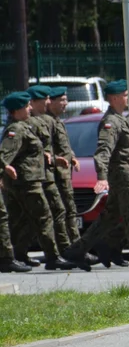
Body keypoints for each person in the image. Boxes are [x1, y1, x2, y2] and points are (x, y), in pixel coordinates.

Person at [64, 80, 129, 268]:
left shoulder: (121, 119)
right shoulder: (111, 122)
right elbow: (103, 151)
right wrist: (102, 177)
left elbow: (122, 149)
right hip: (122, 176)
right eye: (125, 95)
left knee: (110, 217)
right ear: (114, 98)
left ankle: (76, 251)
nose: (128, 98)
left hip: (127, 172)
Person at [2, 91, 84, 270]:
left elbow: (34, 155)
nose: (30, 108)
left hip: (30, 179)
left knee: (26, 220)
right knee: (44, 217)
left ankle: (19, 255)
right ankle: (53, 257)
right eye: (26, 106)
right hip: (26, 182)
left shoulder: (24, 126)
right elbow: (5, 155)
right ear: (17, 110)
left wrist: (54, 159)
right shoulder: (15, 130)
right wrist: (4, 168)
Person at [26, 86, 71, 254]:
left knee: (57, 211)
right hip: (36, 176)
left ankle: (61, 252)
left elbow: (52, 146)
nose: (48, 101)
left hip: (48, 174)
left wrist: (63, 156)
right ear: (33, 102)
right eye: (44, 99)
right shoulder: (28, 124)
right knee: (52, 212)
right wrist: (51, 157)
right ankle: (58, 253)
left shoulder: (47, 121)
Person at [46, 87, 83, 245]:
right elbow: (43, 149)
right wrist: (56, 160)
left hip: (64, 175)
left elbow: (63, 146)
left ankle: (75, 246)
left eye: (66, 99)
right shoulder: (47, 122)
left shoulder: (58, 121)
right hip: (55, 175)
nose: (65, 103)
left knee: (69, 210)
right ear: (50, 102)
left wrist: (72, 157)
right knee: (62, 212)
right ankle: (70, 247)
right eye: (61, 100)